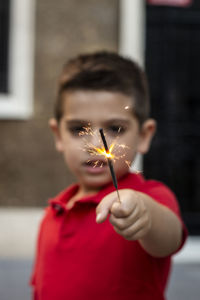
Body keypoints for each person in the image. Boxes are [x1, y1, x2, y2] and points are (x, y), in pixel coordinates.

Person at [30, 51, 187, 300]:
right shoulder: (54, 211)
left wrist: (144, 214)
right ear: (57, 135)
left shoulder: (150, 197)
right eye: (78, 129)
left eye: (115, 128)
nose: (95, 144)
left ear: (145, 135)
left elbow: (169, 238)